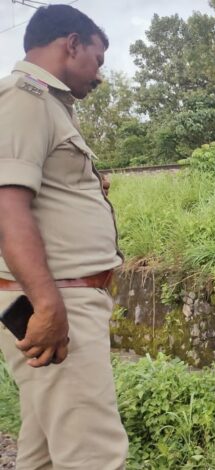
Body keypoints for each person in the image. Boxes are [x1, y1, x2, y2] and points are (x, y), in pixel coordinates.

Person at [0, 5, 128, 469]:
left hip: (58, 297)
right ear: (71, 43)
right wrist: (50, 306)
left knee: (45, 455)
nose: (99, 75)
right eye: (97, 58)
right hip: (58, 301)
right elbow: (7, 207)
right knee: (93, 454)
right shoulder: (24, 97)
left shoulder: (47, 106)